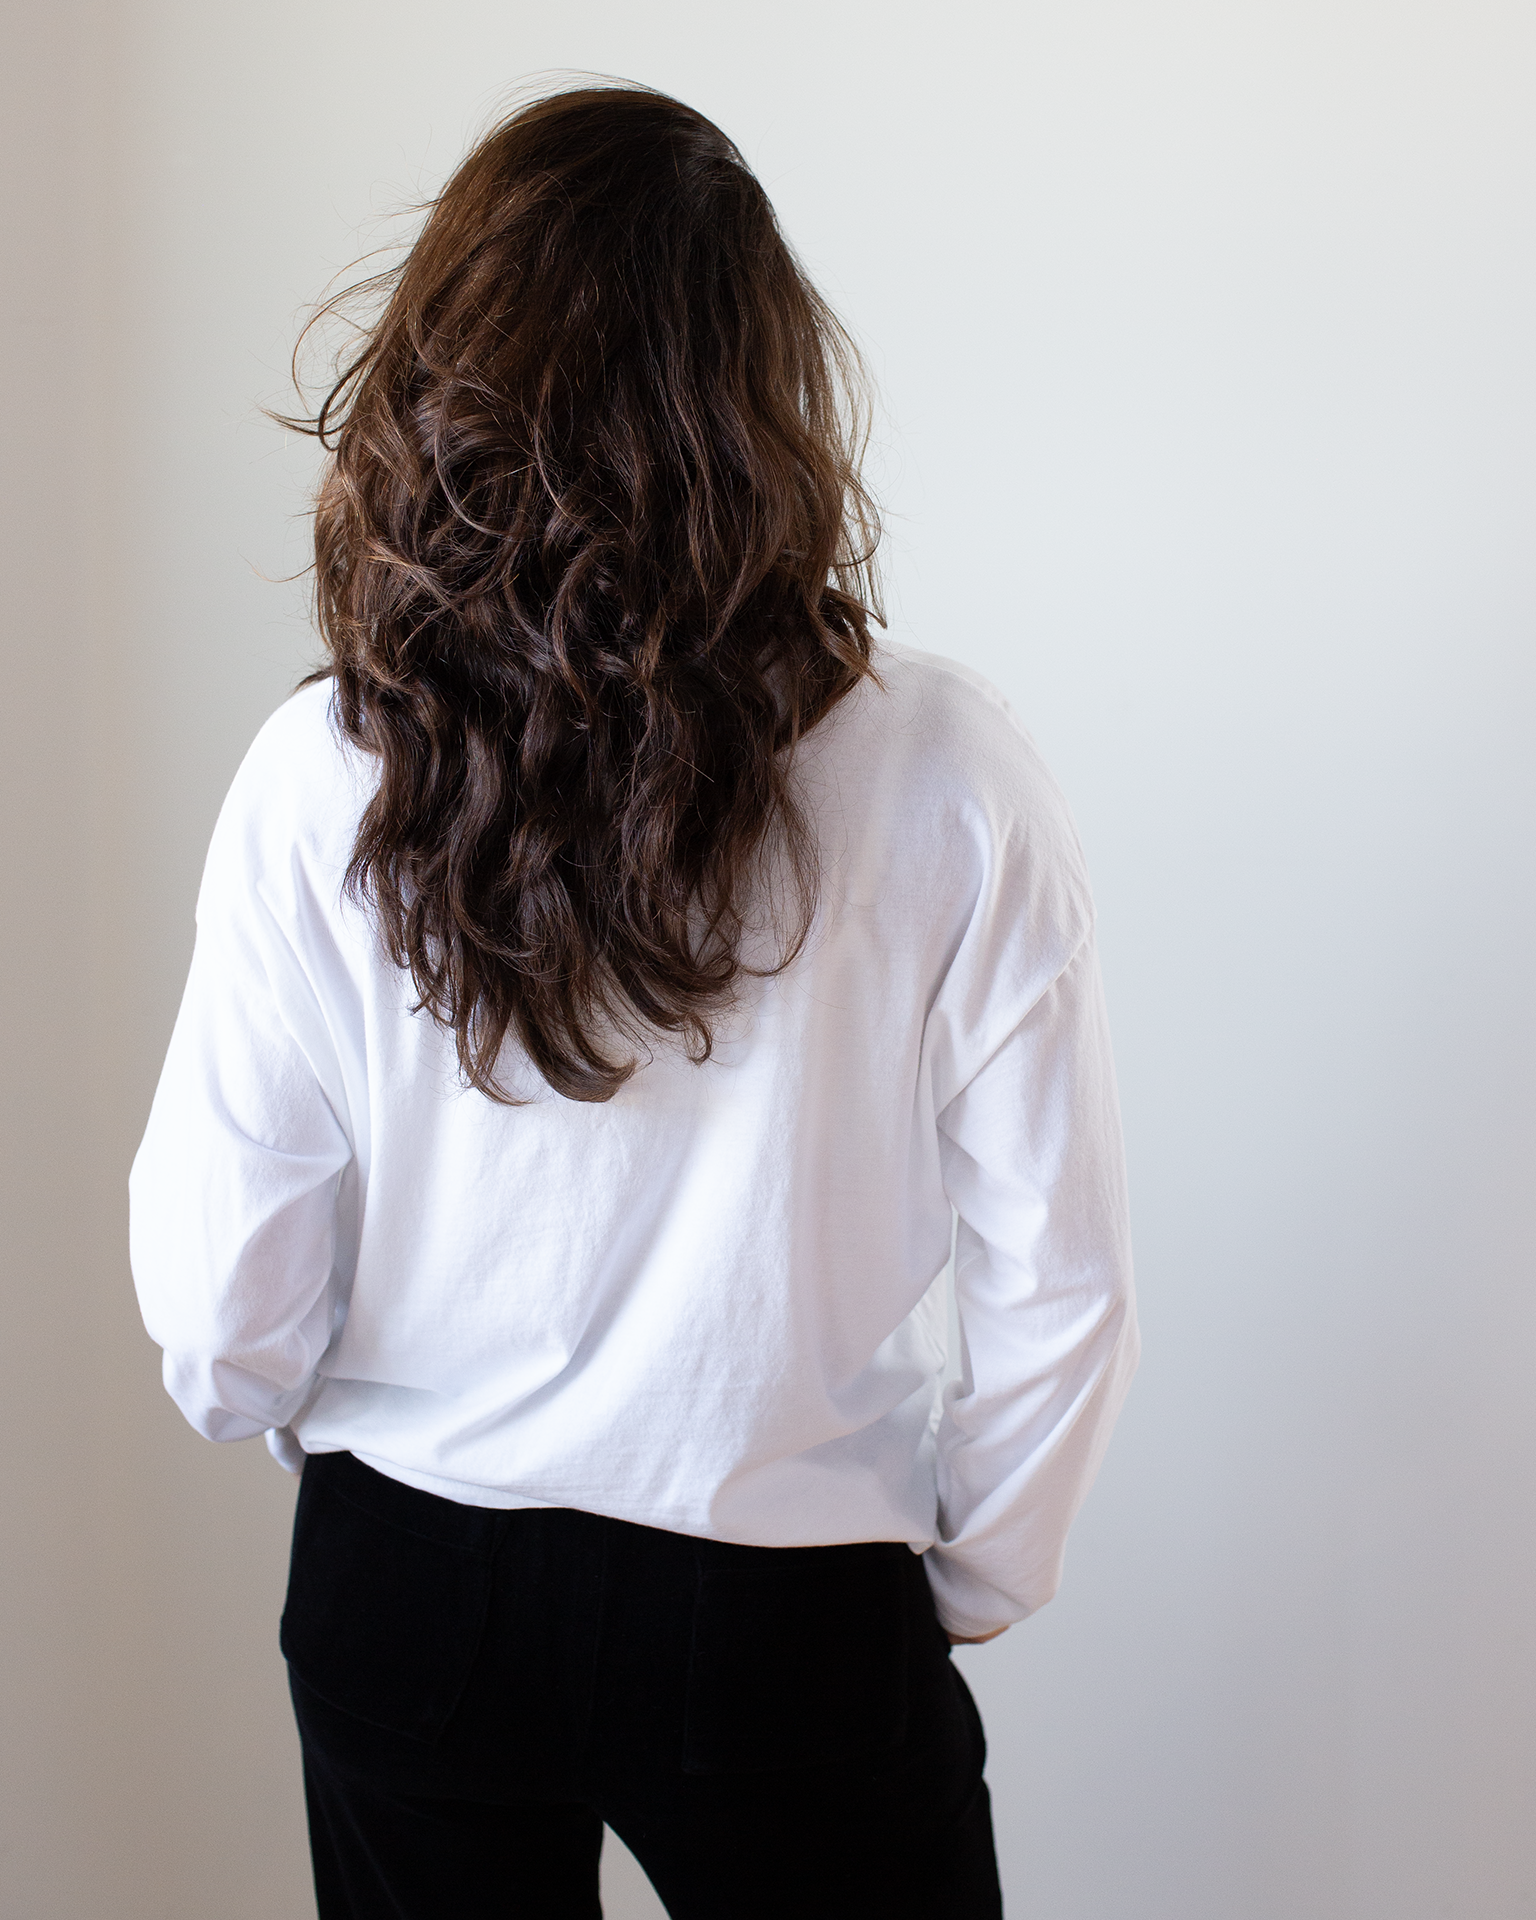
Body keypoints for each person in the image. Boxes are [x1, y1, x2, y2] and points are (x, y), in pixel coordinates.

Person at [129, 82, 1138, 1920]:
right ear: (762, 400)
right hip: (784, 1599)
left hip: (409, 1574)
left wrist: (334, 1427)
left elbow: (223, 1317)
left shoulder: (315, 770)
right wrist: (970, 1575)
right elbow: (1058, 1277)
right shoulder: (947, 770)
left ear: (443, 367)